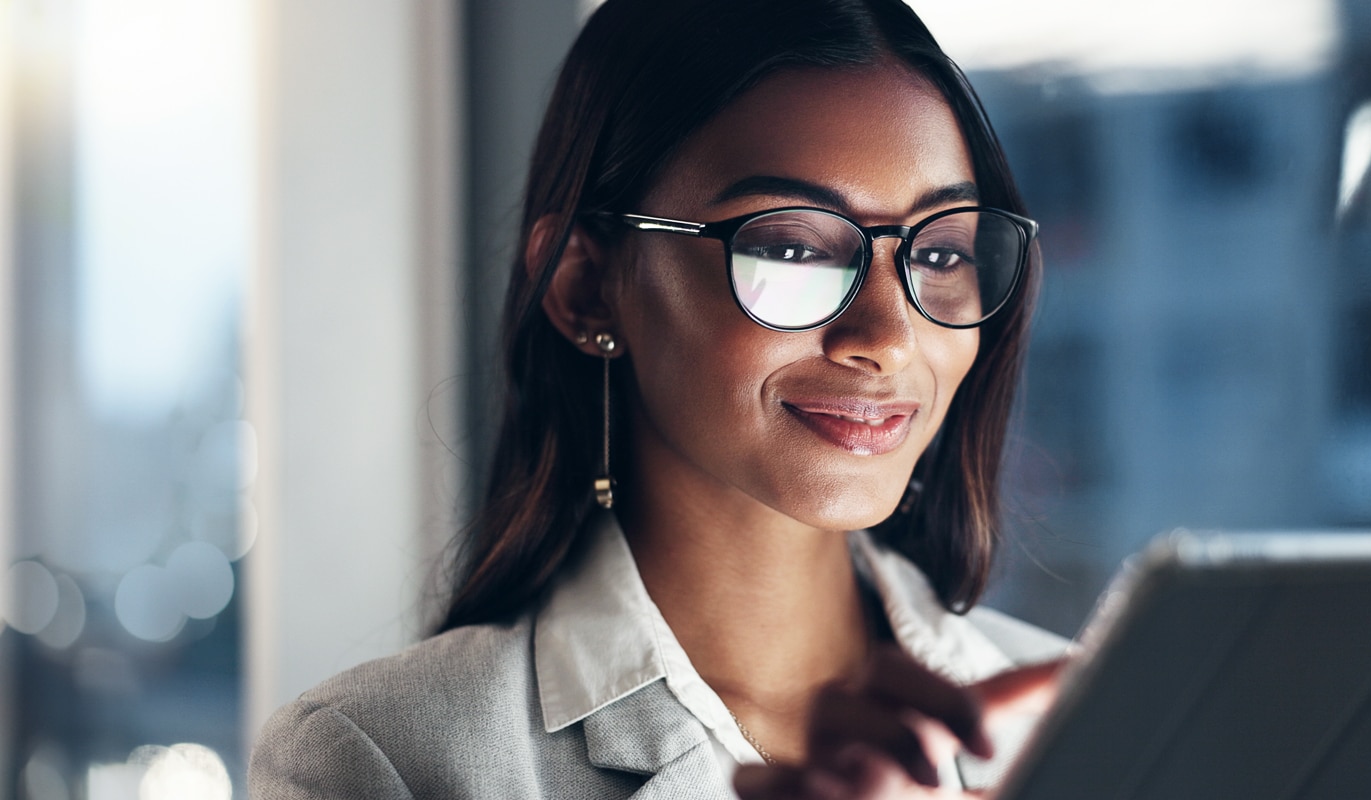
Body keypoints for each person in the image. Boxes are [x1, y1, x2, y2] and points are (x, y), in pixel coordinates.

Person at [249, 0, 1068, 797]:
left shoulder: (1081, 720)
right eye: (790, 248)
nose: (887, 337)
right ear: (585, 288)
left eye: (942, 254)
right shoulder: (384, 758)